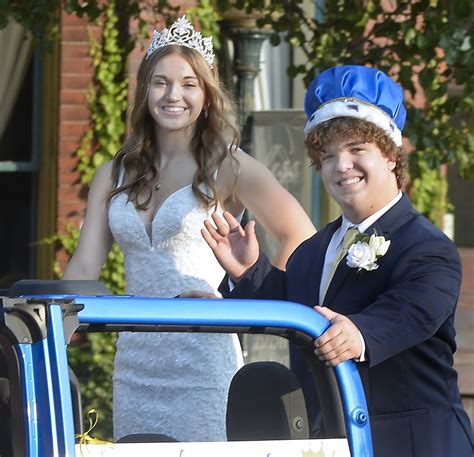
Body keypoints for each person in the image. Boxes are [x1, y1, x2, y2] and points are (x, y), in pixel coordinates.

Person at [63, 16, 316, 443]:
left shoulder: (228, 166)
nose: (173, 95)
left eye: (188, 83)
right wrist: (53, 339)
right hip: (136, 362)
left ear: (206, 93)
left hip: (204, 358)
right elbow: (84, 267)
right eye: (160, 83)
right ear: (145, 90)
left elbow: (301, 236)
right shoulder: (114, 173)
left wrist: (242, 302)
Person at [200, 65, 474, 456]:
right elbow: (295, 311)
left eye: (357, 150)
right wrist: (248, 272)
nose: (341, 166)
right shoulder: (314, 248)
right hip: (330, 443)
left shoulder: (428, 248)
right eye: (328, 156)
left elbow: (410, 314)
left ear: (392, 157)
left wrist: (359, 333)